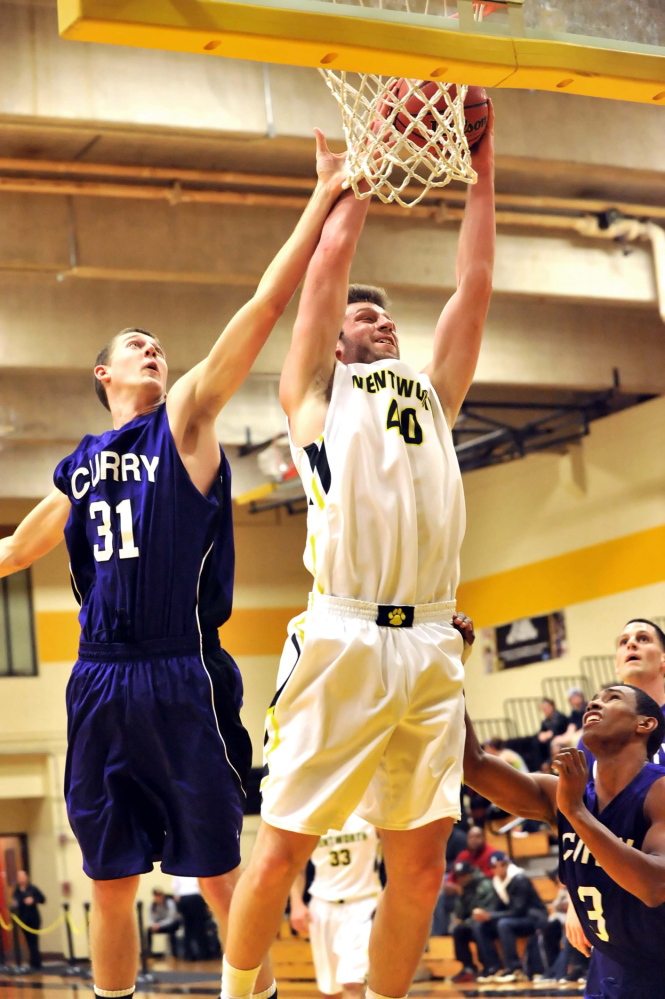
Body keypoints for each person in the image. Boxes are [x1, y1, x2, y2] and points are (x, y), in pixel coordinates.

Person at [0, 133, 349, 999]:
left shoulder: (184, 419)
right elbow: (10, 551)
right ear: (102, 373)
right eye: (135, 344)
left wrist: (324, 197)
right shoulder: (78, 468)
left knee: (219, 876)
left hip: (181, 671)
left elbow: (265, 307)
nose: (152, 350)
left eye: (158, 343)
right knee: (109, 884)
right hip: (98, 679)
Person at [221, 109, 496, 999]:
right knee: (281, 846)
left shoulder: (432, 394)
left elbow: (474, 284)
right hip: (341, 636)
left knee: (418, 871)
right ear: (334, 343)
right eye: (360, 316)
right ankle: (238, 992)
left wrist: (481, 166)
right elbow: (323, 279)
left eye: (385, 316)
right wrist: (355, 178)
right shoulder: (313, 399)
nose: (375, 318)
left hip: (426, 644)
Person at [463, 685, 665, 998]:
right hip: (609, 968)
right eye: (594, 698)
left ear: (645, 724)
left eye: (612, 698)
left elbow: (655, 886)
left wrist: (575, 813)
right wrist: (448, 674)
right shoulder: (567, 793)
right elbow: (474, 765)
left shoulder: (658, 792)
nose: (595, 702)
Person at [566, 617, 665, 960]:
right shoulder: (594, 737)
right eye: (623, 642)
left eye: (642, 638)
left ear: (664, 660)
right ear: (616, 664)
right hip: (621, 885)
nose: (631, 645)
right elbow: (576, 813)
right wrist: (573, 895)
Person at [289, 815, 381, 999]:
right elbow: (296, 865)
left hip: (363, 905)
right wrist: (296, 903)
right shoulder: (314, 815)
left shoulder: (371, 813)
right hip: (322, 907)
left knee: (352, 981)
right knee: (330, 991)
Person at [470, 851, 547, 983]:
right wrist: (484, 914)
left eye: (502, 865)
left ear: (507, 865)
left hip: (533, 917)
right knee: (481, 926)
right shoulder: (497, 882)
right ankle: (494, 968)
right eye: (494, 867)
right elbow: (498, 908)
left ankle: (514, 968)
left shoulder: (519, 878)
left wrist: (490, 915)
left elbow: (519, 910)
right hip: (516, 918)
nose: (498, 869)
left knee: (504, 924)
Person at [448, 861, 496, 983]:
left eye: (463, 875)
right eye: (458, 876)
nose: (461, 879)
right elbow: (460, 914)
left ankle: (489, 966)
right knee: (458, 930)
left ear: (471, 874)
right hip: (472, 922)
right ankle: (468, 967)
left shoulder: (484, 884)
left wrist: (466, 922)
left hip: (490, 920)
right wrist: (460, 895)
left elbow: (484, 911)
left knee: (477, 928)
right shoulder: (464, 888)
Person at [173, 877, 214, 961]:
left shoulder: (179, 869)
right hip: (196, 897)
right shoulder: (196, 866)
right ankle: (203, 954)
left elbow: (174, 886)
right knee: (200, 926)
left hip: (183, 897)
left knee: (187, 928)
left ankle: (188, 954)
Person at [11, 871, 45, 970]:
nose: (21, 878)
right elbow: (15, 902)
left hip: (33, 917)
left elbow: (42, 899)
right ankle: (32, 961)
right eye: (19, 877)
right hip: (23, 919)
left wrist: (33, 900)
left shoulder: (33, 889)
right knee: (28, 940)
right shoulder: (17, 891)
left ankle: (36, 962)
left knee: (34, 940)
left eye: (23, 876)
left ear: (26, 877)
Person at [551, 688, 587, 754]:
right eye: (572, 697)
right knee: (555, 742)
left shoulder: (588, 707)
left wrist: (572, 735)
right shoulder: (574, 713)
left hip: (588, 732)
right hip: (578, 734)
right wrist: (562, 738)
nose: (574, 699)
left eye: (576, 696)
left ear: (582, 697)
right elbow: (571, 729)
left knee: (576, 740)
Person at [147, 889, 181, 958]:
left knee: (172, 929)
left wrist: (159, 925)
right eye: (156, 896)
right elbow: (150, 918)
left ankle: (174, 954)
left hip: (170, 924)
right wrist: (153, 925)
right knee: (148, 931)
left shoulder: (169, 903)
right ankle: (149, 953)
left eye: (159, 895)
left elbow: (171, 918)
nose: (158, 897)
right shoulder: (152, 905)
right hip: (157, 925)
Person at [534, 698, 568, 766]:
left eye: (546, 707)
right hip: (551, 739)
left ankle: (554, 763)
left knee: (552, 743)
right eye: (543, 709)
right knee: (536, 742)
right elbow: (542, 732)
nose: (545, 710)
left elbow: (558, 730)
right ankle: (542, 764)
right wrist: (541, 735)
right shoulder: (545, 721)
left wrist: (549, 734)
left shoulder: (560, 716)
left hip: (561, 737)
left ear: (552, 706)